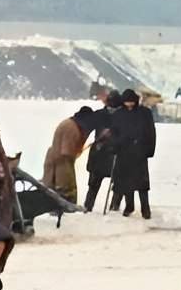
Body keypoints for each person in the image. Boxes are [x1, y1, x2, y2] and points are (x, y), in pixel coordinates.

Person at [108, 89, 157, 219]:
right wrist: (114, 146)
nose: (129, 104)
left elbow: (151, 133)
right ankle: (129, 206)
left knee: (142, 184)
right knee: (126, 183)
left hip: (139, 153)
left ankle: (145, 208)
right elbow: (114, 133)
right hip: (123, 152)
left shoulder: (145, 113)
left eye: (131, 102)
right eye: (126, 102)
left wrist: (149, 150)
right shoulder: (118, 114)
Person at [43, 106, 97, 203]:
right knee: (64, 187)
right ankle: (61, 207)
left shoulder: (70, 123)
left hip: (56, 157)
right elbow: (67, 151)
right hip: (62, 161)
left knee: (52, 185)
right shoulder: (72, 128)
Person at [82, 95, 119, 212]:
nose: (112, 109)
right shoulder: (99, 115)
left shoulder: (122, 116)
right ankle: (88, 206)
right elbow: (86, 129)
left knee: (118, 183)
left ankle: (114, 207)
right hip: (100, 152)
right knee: (93, 183)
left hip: (113, 153)